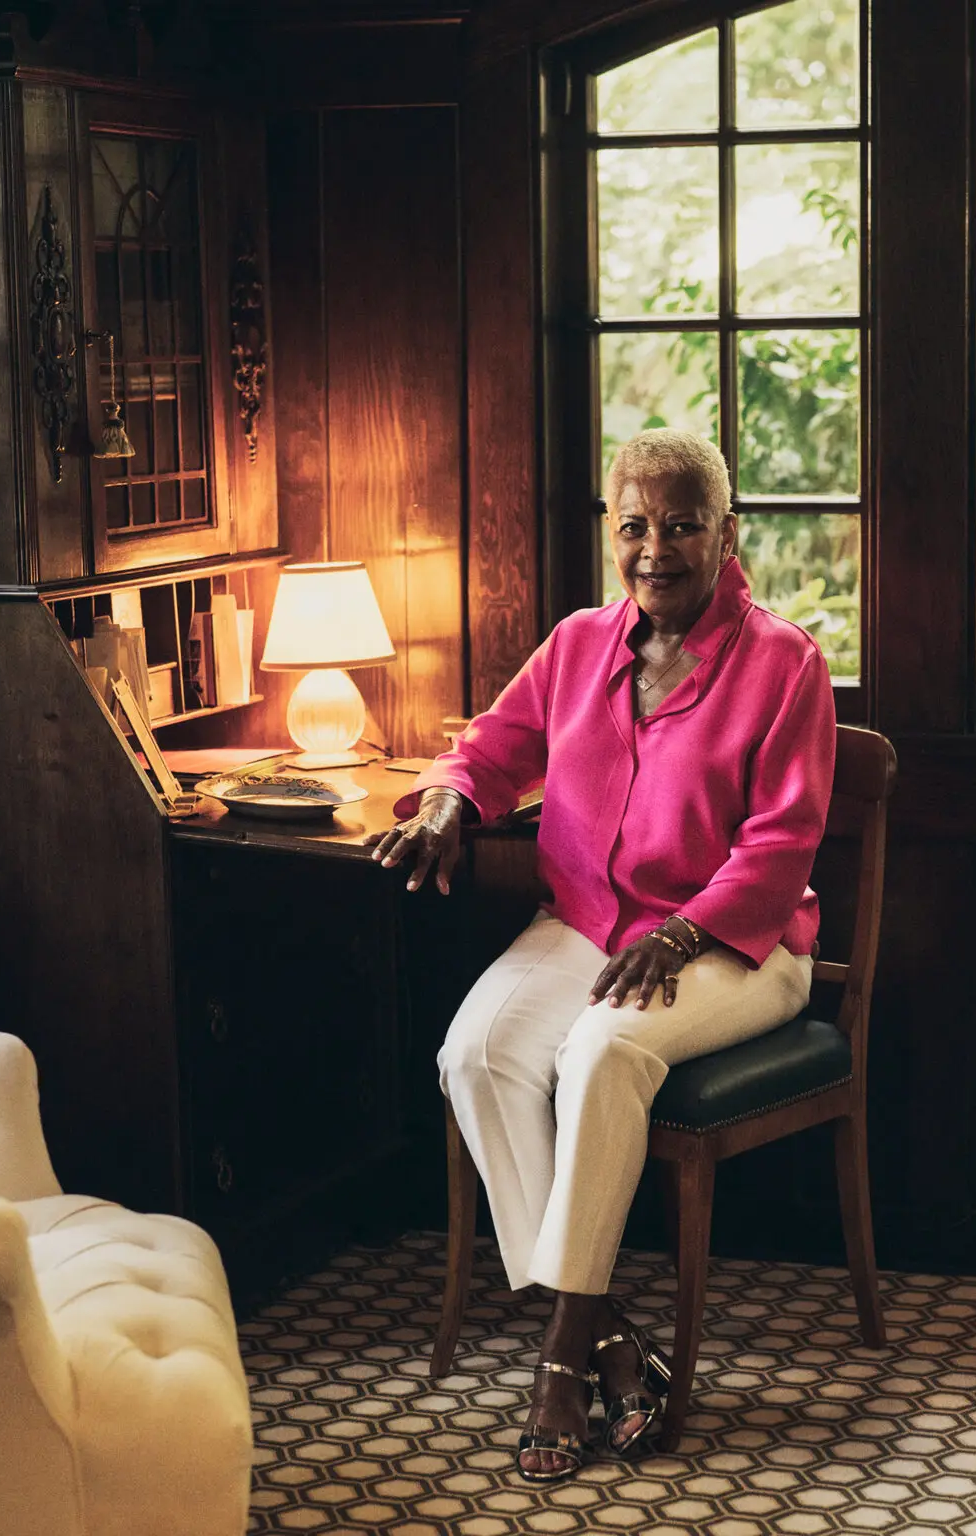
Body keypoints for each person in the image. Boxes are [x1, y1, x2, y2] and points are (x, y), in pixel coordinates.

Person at [365, 429, 836, 1484]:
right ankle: (613, 1331)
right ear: (608, 534)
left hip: (736, 943)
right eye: (633, 526)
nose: (653, 549)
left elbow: (778, 844)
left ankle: (560, 1362)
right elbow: (489, 746)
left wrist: (682, 930)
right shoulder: (578, 643)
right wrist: (446, 804)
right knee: (475, 1054)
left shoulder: (784, 662)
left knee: (602, 1056)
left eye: (679, 526)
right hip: (587, 922)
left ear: (726, 532)